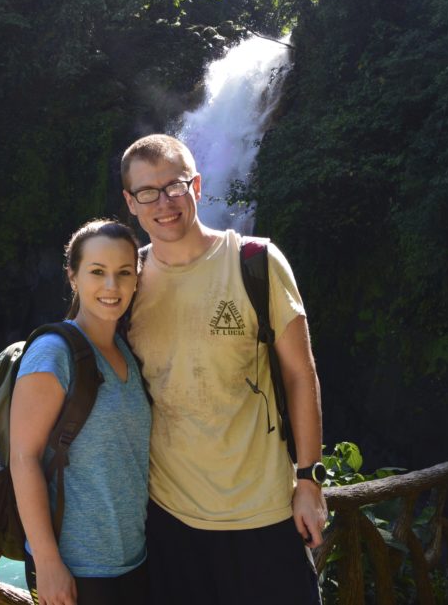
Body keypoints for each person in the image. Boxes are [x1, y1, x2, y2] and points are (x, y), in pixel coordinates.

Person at [120, 134, 327, 604]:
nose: (163, 203)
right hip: (170, 517)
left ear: (196, 186)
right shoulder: (126, 281)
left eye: (173, 186)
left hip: (264, 507)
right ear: (131, 203)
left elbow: (301, 373)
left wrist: (309, 480)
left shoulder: (254, 261)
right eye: (147, 193)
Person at [9, 219, 151, 605]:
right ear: (73, 276)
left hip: (133, 560)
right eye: (97, 272)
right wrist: (48, 561)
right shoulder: (53, 353)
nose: (111, 286)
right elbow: (23, 458)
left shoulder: (126, 353)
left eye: (124, 273)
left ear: (137, 279)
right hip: (76, 569)